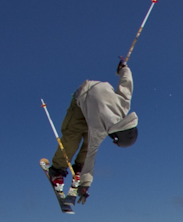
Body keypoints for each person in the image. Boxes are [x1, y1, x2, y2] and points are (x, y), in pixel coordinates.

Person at [47, 59, 139, 204]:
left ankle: (79, 169)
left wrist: (123, 68)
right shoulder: (100, 131)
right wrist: (85, 184)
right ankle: (57, 170)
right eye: (115, 142)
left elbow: (127, 83)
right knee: (73, 136)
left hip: (96, 88)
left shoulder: (124, 105)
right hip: (82, 98)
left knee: (88, 141)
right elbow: (91, 155)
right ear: (116, 136)